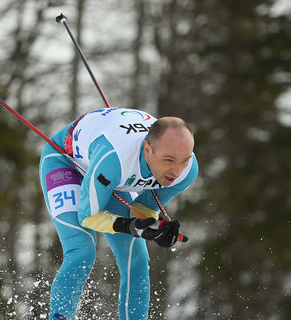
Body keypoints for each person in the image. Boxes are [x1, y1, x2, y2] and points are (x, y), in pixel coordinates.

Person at [38, 107, 198, 320]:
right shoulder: (115, 159)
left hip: (107, 178)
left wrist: (155, 229)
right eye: (169, 160)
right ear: (148, 149)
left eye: (184, 160)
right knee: (81, 252)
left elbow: (141, 210)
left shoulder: (186, 173)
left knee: (137, 258)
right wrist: (131, 227)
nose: (176, 171)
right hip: (65, 163)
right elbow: (87, 216)